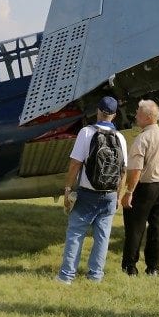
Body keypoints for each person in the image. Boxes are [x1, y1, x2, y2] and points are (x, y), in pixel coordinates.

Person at [56, 96, 128, 284]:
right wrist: (118, 197)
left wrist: (68, 189)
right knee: (102, 237)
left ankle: (66, 276)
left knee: (75, 234)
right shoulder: (120, 137)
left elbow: (75, 165)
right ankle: (95, 276)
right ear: (113, 115)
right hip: (110, 195)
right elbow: (123, 171)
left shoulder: (86, 133)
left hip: (87, 193)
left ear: (98, 111)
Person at [120, 99, 159, 277]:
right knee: (157, 228)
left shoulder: (142, 138)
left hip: (145, 188)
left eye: (138, 113)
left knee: (135, 228)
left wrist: (129, 192)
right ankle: (153, 268)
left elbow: (136, 169)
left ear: (147, 117)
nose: (136, 116)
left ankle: (130, 267)